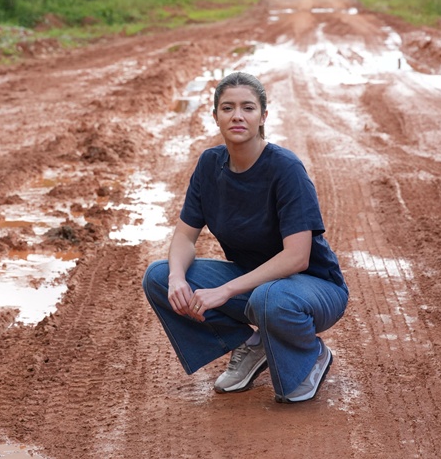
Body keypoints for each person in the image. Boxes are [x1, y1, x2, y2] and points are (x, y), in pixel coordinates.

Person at [142, 71, 348, 403]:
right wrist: (177, 279)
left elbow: (298, 257)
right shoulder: (210, 165)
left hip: (313, 289)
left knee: (271, 298)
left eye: (248, 108)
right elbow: (184, 237)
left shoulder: (286, 169)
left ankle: (310, 355)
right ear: (215, 117)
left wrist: (224, 291)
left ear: (263, 116)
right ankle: (252, 346)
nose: (237, 115)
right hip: (256, 287)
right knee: (159, 276)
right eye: (228, 108)